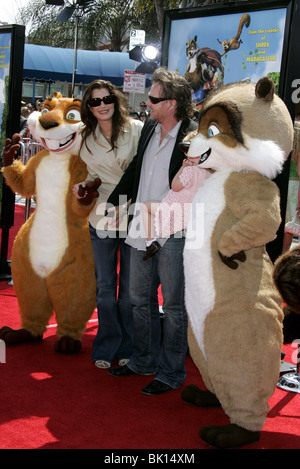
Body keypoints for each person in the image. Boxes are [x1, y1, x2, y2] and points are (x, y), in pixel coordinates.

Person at [106, 67, 197, 395]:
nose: (147, 103)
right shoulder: (148, 130)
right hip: (141, 224)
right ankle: (143, 359)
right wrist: (115, 203)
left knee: (173, 305)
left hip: (175, 229)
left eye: (154, 99)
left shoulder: (194, 137)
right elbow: (135, 170)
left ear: (171, 104)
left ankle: (172, 372)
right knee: (136, 299)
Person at [72, 79, 143, 370]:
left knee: (128, 291)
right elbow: (88, 174)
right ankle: (106, 343)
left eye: (106, 99)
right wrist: (82, 186)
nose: (102, 105)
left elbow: (143, 171)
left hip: (132, 213)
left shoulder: (137, 130)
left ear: (115, 100)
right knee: (104, 287)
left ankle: (128, 345)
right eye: (95, 101)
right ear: (88, 107)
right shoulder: (83, 136)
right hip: (101, 215)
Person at [141, 156, 210, 260]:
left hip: (176, 209)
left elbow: (175, 186)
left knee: (146, 207)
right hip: (192, 213)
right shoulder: (209, 174)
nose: (188, 156)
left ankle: (150, 242)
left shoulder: (190, 170)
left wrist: (182, 167)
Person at [283, 118, 300, 252]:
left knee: (284, 222)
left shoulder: (286, 147)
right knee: (290, 225)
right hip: (295, 187)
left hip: (285, 184)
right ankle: (285, 252)